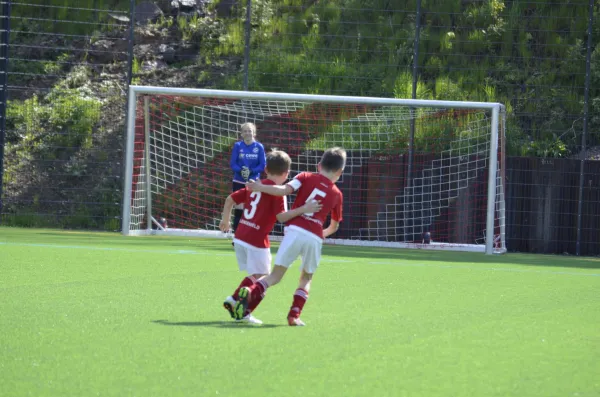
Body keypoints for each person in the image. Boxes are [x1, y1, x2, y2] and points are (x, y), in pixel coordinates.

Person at [236, 147, 346, 326]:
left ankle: (251, 291)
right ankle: (294, 315)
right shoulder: (337, 194)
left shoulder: (304, 176)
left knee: (275, 276)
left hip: (294, 231)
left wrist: (260, 187)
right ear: (340, 172)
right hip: (314, 238)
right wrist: (321, 234)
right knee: (306, 278)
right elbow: (334, 226)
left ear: (319, 166)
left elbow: (283, 190)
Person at [219, 150, 322, 324]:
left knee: (256, 273)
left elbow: (230, 199)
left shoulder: (254, 185)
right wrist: (303, 209)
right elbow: (282, 217)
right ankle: (237, 300)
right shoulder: (278, 193)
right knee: (266, 276)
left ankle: (236, 302)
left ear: (266, 169)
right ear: (286, 174)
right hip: (257, 238)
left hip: (240, 235)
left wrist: (226, 220)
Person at [229, 122, 266, 233]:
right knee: (239, 207)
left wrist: (251, 171)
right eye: (245, 131)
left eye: (249, 130)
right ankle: (236, 234)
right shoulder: (238, 146)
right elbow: (233, 163)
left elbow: (262, 165)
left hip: (253, 182)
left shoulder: (259, 147)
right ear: (241, 134)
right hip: (239, 180)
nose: (247, 133)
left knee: (251, 208)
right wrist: (240, 171)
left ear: (254, 133)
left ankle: (250, 233)